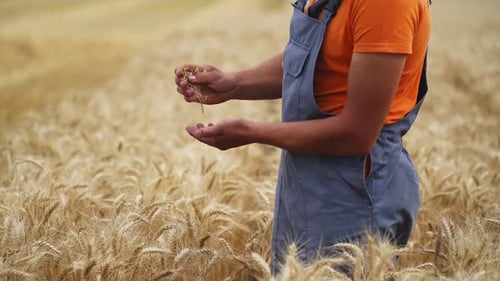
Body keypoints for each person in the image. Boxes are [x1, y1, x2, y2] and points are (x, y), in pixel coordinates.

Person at [174, 0, 431, 276]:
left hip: (354, 190)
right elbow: (315, 58)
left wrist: (251, 131)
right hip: (304, 178)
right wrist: (234, 83)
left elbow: (357, 134)